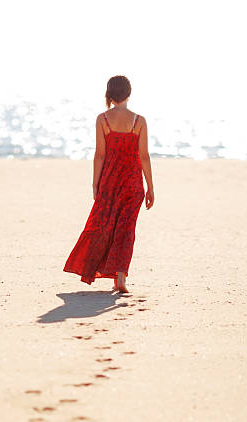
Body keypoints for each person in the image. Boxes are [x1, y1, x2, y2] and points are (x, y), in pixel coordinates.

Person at [63, 75, 154, 292]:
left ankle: (108, 272)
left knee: (104, 226)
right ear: (129, 94)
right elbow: (144, 156)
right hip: (132, 182)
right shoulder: (139, 121)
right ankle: (120, 277)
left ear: (109, 94)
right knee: (126, 229)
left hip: (110, 181)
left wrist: (95, 184)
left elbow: (99, 154)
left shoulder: (102, 119)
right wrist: (150, 186)